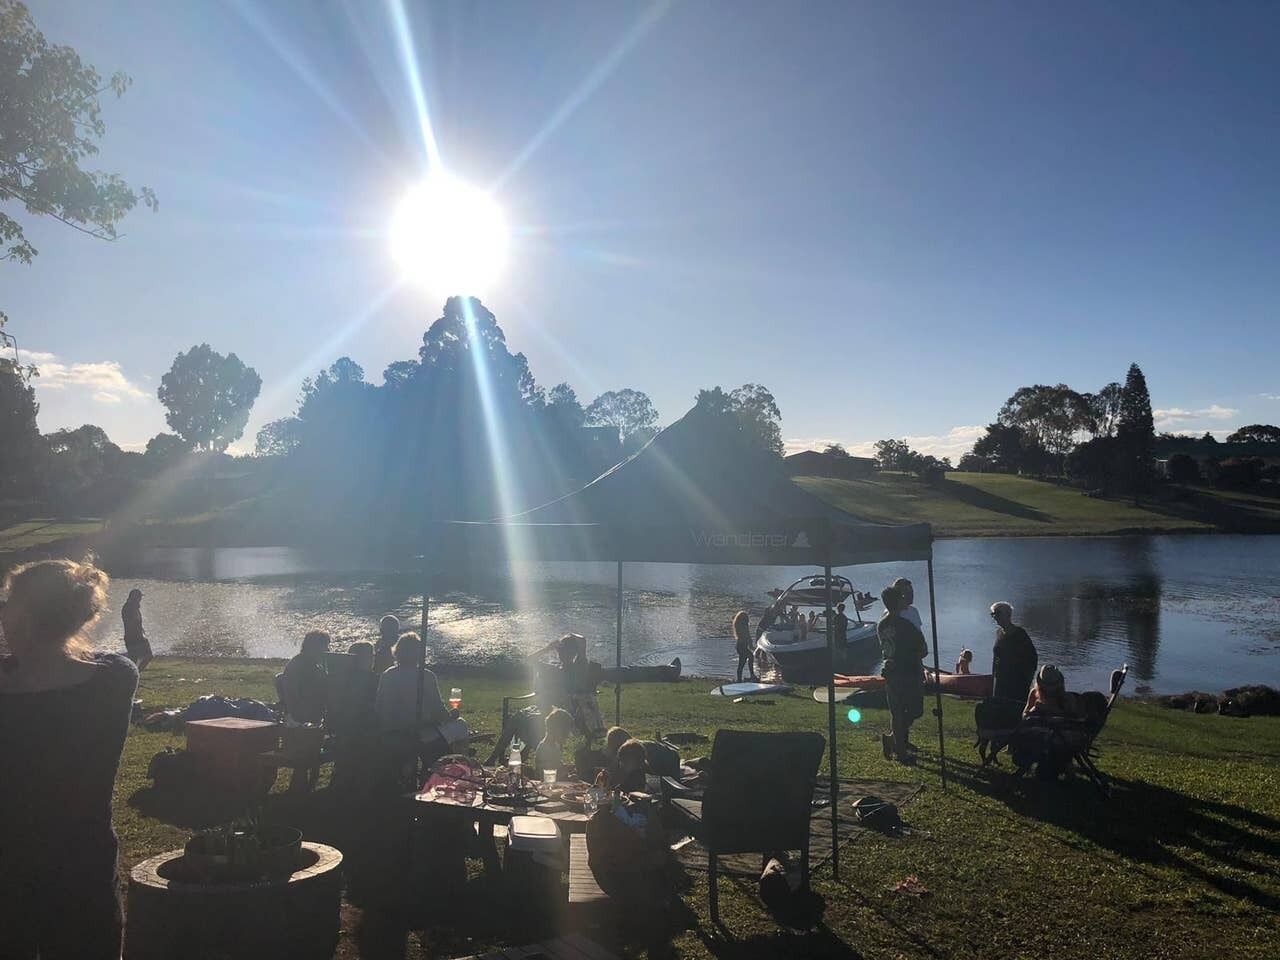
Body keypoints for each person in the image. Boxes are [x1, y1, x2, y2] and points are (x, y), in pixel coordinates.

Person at [0, 558, 139, 958]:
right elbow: (100, 661)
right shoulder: (114, 680)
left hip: (9, 864)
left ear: (25, 616)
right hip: (84, 861)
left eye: (9, 601)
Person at [876, 585, 928, 764]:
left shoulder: (881, 624)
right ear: (898, 601)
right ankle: (898, 747)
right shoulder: (907, 626)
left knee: (896, 713)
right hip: (908, 673)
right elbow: (923, 650)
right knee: (915, 710)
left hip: (890, 672)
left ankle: (894, 742)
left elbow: (886, 649)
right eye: (902, 597)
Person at [990, 602, 1038, 703]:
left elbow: (1032, 658)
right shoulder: (999, 633)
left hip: (1016, 683)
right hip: (999, 681)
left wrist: (1026, 680)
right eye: (993, 614)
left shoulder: (1020, 634)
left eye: (998, 613)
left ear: (1008, 614)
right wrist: (993, 677)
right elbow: (996, 658)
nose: (995, 617)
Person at [281, 630, 330, 724]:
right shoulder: (305, 665)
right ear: (314, 647)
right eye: (325, 646)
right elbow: (317, 691)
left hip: (301, 709)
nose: (327, 650)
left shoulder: (303, 661)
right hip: (304, 713)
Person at [535, 707, 574, 779]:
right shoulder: (545, 749)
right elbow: (546, 774)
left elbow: (556, 765)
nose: (567, 736)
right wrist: (567, 777)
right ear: (555, 730)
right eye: (565, 732)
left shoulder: (555, 746)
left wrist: (566, 768)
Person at [121, 587, 153, 671]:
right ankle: (134, 675)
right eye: (139, 597)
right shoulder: (129, 607)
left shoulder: (132, 606)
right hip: (135, 638)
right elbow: (131, 623)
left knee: (136, 659)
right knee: (145, 657)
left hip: (134, 637)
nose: (140, 599)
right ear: (134, 597)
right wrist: (139, 635)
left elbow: (136, 621)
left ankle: (134, 675)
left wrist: (141, 629)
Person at [732, 610, 756, 682]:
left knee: (742, 662)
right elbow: (748, 636)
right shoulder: (744, 626)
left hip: (740, 646)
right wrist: (751, 646)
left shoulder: (738, 626)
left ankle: (740, 679)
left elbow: (747, 637)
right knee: (749, 658)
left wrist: (750, 646)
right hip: (742, 646)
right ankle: (751, 675)